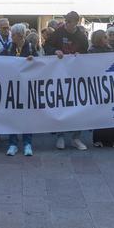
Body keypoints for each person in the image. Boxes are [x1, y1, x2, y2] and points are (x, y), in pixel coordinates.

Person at [44, 11, 89, 151]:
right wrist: (55, 51)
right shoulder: (58, 33)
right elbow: (47, 46)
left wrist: (80, 55)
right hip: (59, 74)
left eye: (70, 21)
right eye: (66, 21)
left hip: (76, 75)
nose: (67, 24)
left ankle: (76, 137)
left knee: (78, 105)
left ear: (77, 22)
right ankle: (60, 136)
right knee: (61, 104)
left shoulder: (81, 36)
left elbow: (86, 52)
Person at [1, 23, 37, 156]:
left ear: (20, 35)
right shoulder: (10, 46)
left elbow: (42, 63)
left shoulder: (32, 47)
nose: (11, 36)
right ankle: (13, 144)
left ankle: (28, 143)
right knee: (13, 115)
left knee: (27, 116)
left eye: (13, 34)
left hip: (27, 87)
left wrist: (33, 60)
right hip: (12, 86)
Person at [88, 30, 114, 148]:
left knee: (111, 111)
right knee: (99, 111)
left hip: (109, 83)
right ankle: (98, 139)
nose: (107, 39)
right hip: (97, 84)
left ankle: (113, 139)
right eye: (105, 37)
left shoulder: (110, 50)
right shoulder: (91, 52)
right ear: (99, 39)